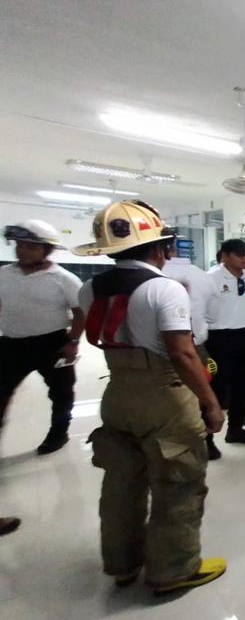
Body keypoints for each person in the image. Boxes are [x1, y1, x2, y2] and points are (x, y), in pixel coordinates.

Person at [74, 199, 226, 594]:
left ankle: (121, 564)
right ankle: (174, 569)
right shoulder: (163, 288)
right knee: (178, 481)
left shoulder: (90, 288)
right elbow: (182, 352)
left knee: (121, 482)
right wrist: (210, 401)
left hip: (118, 391)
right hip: (164, 395)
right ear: (160, 248)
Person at [0, 219, 85, 454]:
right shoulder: (4, 274)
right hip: (10, 344)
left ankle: (59, 434)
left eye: (30, 246)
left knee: (62, 393)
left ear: (46, 250)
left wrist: (74, 342)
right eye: (19, 245)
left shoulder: (64, 279)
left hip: (52, 344)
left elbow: (80, 313)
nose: (22, 250)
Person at [163, 240, 221, 459]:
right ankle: (207, 441)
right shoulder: (202, 276)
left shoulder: (152, 278)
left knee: (168, 400)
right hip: (196, 349)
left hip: (157, 355)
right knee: (202, 392)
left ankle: (174, 445)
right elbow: (213, 316)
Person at [206, 239, 245, 445]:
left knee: (244, 385)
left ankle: (235, 429)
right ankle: (206, 438)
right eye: (238, 254)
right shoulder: (211, 279)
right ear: (224, 256)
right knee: (216, 387)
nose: (244, 258)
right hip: (218, 339)